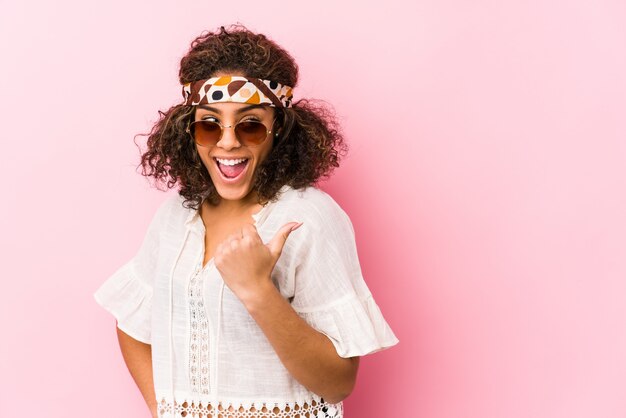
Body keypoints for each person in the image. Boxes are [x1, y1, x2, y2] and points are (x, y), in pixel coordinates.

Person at [93, 24, 399, 418]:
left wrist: (257, 290)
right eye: (208, 124)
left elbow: (338, 383)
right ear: (189, 131)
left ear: (279, 130)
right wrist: (164, 410)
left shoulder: (308, 217)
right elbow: (133, 324)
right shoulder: (177, 216)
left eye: (250, 125)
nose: (228, 142)